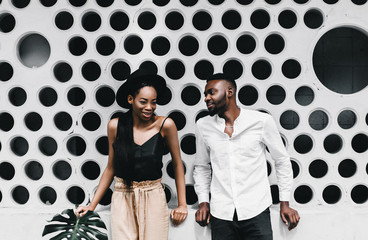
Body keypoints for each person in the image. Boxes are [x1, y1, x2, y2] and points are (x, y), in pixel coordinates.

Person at [76, 68, 188, 240]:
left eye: (154, 102)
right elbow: (111, 168)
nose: (149, 107)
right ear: (131, 99)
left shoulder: (166, 125)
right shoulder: (115, 126)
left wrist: (182, 205)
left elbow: (177, 164)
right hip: (122, 195)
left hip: (154, 195)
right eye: (143, 102)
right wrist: (92, 206)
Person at [193, 73, 300, 240]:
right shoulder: (203, 126)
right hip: (221, 213)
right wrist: (203, 202)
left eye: (211, 92)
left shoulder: (261, 121)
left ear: (229, 92)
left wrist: (284, 203)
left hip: (256, 210)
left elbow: (282, 161)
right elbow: (201, 167)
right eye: (205, 94)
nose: (206, 98)